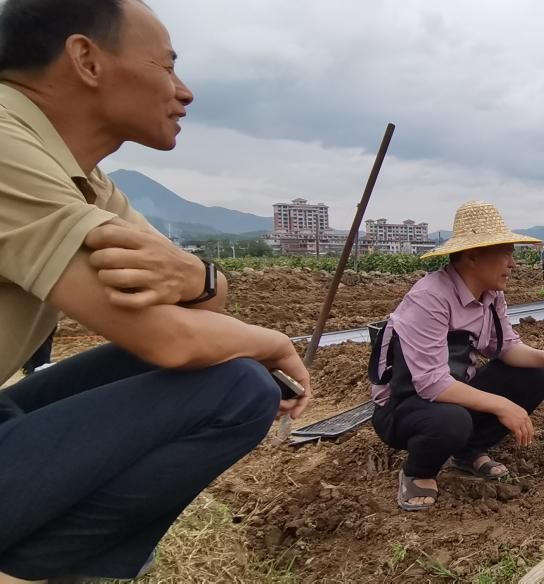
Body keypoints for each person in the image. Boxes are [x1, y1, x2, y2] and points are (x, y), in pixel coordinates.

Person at [0, 1, 311, 581]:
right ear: (86, 59)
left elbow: (200, 303)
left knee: (216, 363)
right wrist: (272, 341)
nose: (184, 91)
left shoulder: (84, 179)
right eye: (167, 66)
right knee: (240, 387)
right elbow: (169, 336)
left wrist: (200, 275)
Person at [370, 201, 544, 511]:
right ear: (472, 256)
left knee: (535, 377)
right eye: (505, 253)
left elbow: (505, 347)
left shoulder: (491, 296)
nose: (513, 264)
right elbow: (431, 383)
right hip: (403, 405)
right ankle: (417, 472)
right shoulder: (430, 297)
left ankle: (468, 451)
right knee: (452, 421)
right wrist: (503, 405)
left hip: (453, 390)